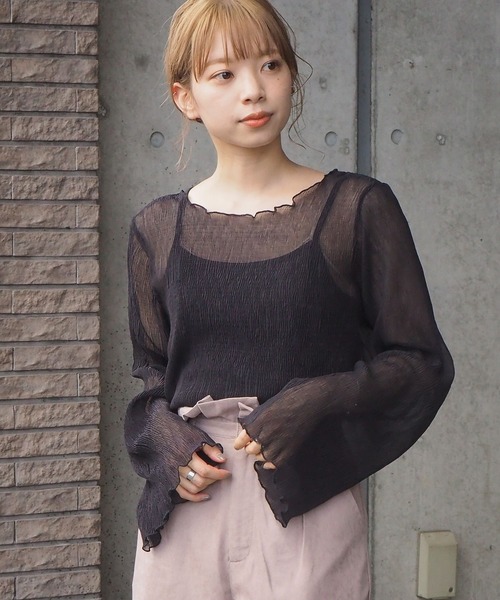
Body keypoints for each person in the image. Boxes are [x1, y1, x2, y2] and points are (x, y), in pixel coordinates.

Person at [125, 0, 454, 598]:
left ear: (292, 75)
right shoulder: (155, 228)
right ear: (186, 97)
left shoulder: (357, 209)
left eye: (270, 64)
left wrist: (318, 398)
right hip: (189, 507)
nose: (253, 89)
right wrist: (170, 450)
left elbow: (420, 362)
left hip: (306, 502)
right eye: (224, 73)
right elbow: (150, 376)